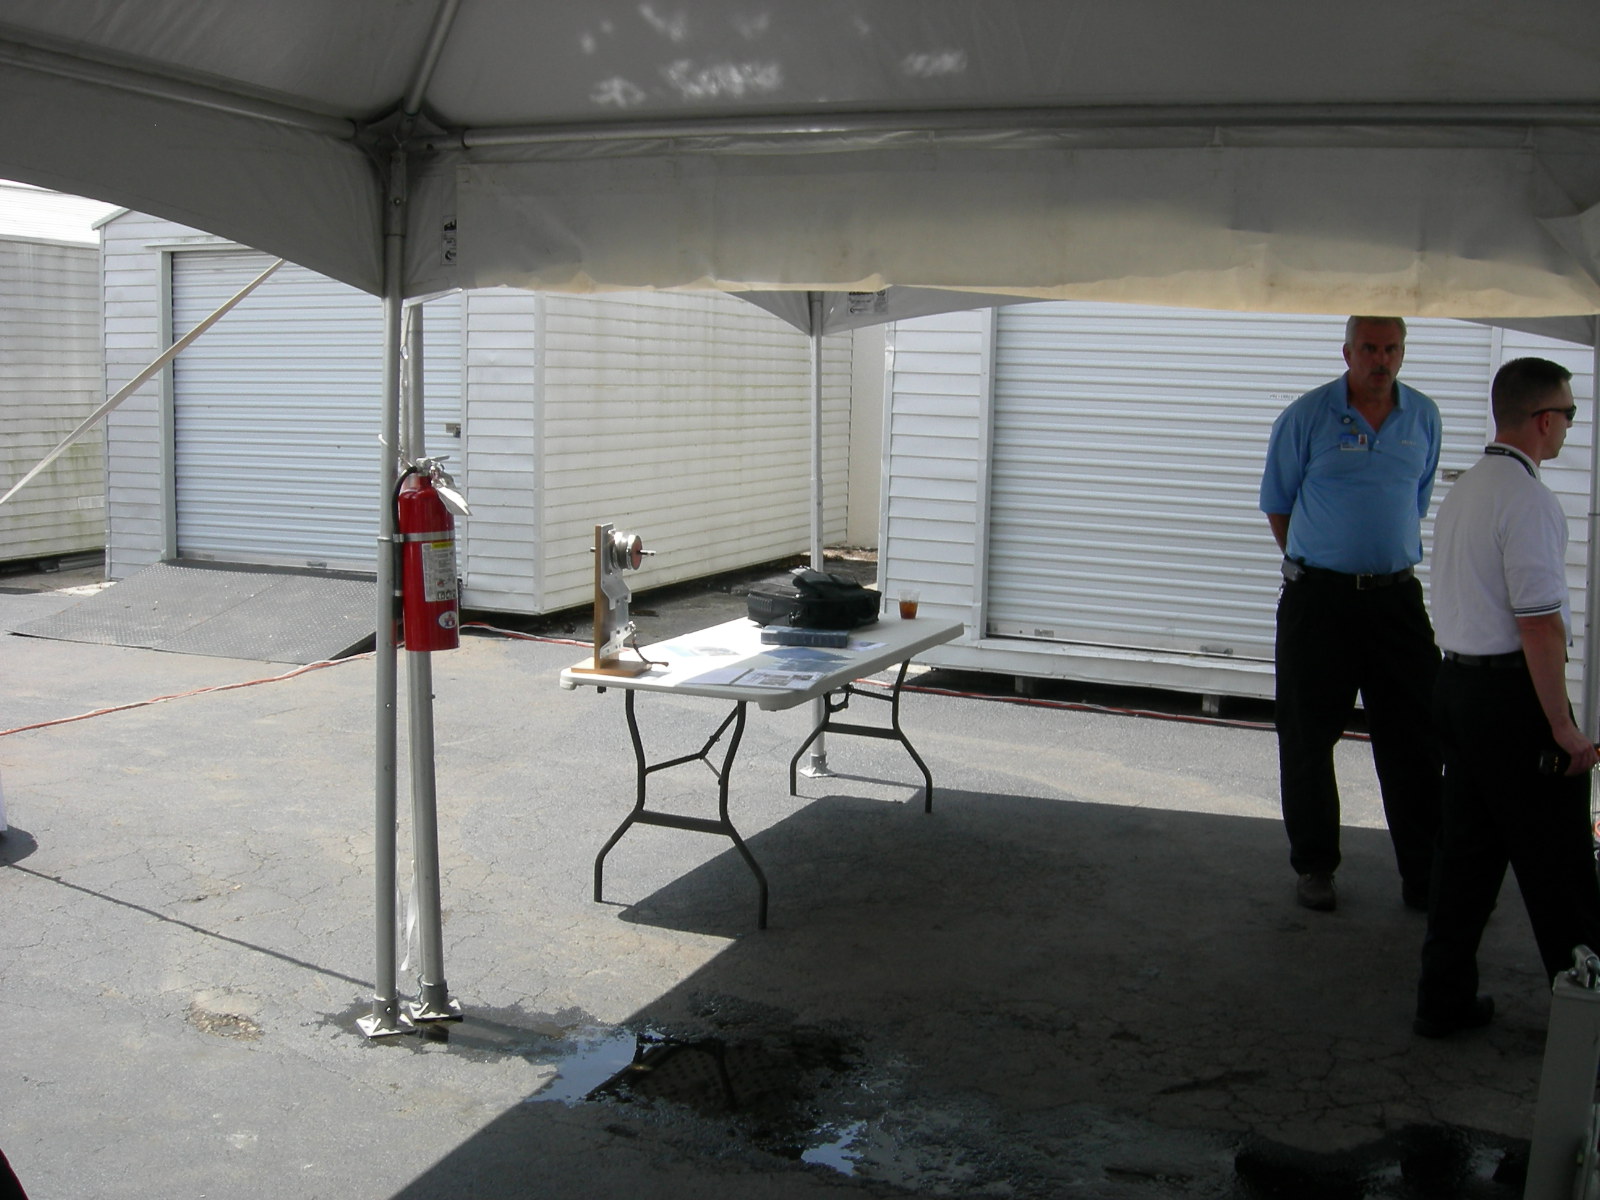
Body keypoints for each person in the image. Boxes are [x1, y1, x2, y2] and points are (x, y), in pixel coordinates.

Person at [1414, 356, 1600, 1037]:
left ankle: (1442, 1000)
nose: (1569, 427)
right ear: (1543, 420)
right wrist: (1563, 727)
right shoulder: (1528, 500)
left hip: (1458, 687)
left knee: (1466, 855)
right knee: (1561, 866)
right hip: (1510, 700)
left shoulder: (1466, 489)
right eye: (1569, 415)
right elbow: (1539, 626)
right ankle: (1587, 1023)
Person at [1260, 316, 1444, 913]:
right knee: (1308, 737)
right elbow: (1278, 504)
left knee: (1415, 740)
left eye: (1391, 349)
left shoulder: (1423, 418)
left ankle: (1425, 875)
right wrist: (1320, 563)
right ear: (1347, 352)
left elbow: (1415, 500)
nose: (1381, 360)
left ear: (1402, 353)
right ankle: (1315, 866)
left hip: (1395, 602)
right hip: (1319, 603)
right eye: (1369, 348)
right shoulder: (1306, 417)